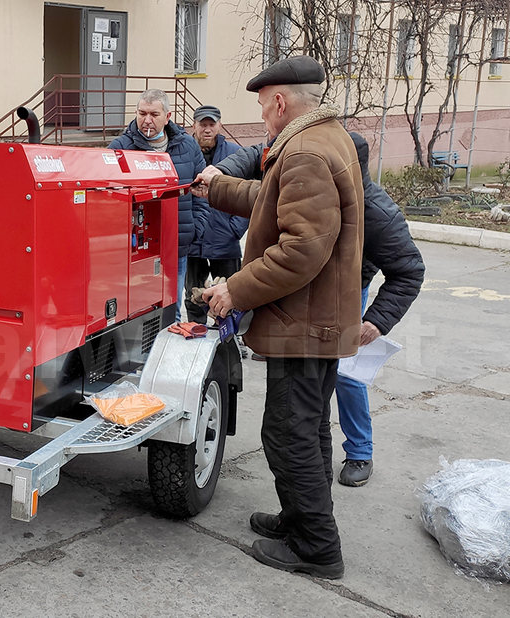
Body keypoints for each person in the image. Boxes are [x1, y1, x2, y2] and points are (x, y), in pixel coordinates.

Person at [191, 55, 364, 579]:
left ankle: (317, 548)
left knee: (289, 435)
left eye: (264, 106)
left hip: (304, 325)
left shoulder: (307, 150)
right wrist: (213, 187)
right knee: (306, 431)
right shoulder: (321, 139)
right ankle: (298, 519)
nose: (263, 115)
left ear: (281, 101)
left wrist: (234, 291)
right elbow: (272, 199)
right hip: (313, 322)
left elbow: (300, 251)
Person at [214, 134, 425, 487]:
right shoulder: (316, 193)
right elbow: (260, 182)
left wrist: (375, 320)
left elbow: (409, 270)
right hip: (308, 293)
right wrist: (217, 179)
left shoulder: (374, 211)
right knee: (309, 400)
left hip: (347, 295)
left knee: (345, 375)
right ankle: (315, 472)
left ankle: (360, 451)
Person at [109, 89, 208, 322]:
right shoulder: (121, 148)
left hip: (177, 246)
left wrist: (196, 227)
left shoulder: (187, 146)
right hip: (135, 250)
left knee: (171, 310)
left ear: (168, 116)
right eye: (142, 113)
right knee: (137, 311)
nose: (147, 120)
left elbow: (202, 191)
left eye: (154, 114)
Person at [184, 105, 247, 327]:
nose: (207, 129)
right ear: (194, 125)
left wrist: (235, 228)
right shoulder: (184, 151)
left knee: (231, 294)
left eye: (212, 124)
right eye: (203, 124)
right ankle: (195, 331)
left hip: (225, 240)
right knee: (194, 295)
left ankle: (229, 337)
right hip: (193, 241)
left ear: (219, 126)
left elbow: (249, 190)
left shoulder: (234, 154)